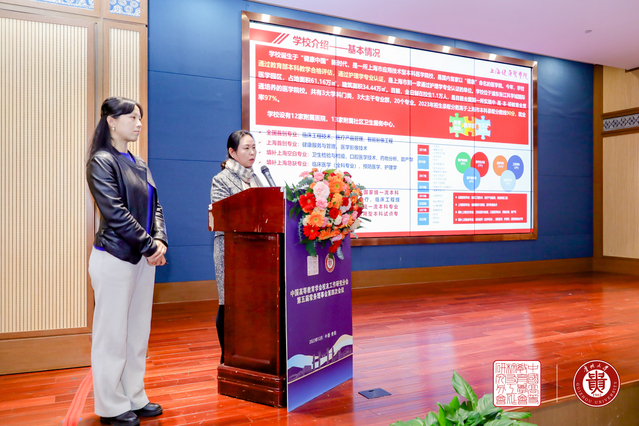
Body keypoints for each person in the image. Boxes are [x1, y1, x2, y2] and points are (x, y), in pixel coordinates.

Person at [86, 97, 168, 426]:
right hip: (115, 257)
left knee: (137, 333)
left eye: (140, 118)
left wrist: (160, 240)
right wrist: (149, 246)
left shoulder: (139, 162)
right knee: (112, 335)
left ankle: (134, 395)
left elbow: (155, 206)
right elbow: (115, 213)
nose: (138, 123)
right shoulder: (101, 161)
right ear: (111, 120)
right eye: (132, 117)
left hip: (142, 259)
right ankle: (110, 405)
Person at [210, 130, 263, 363]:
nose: (252, 153)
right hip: (230, 251)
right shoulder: (221, 179)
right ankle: (227, 355)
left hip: (258, 250)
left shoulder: (257, 178)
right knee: (228, 303)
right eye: (246, 148)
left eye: (254, 147)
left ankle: (250, 350)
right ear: (232, 152)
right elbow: (223, 215)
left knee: (252, 302)